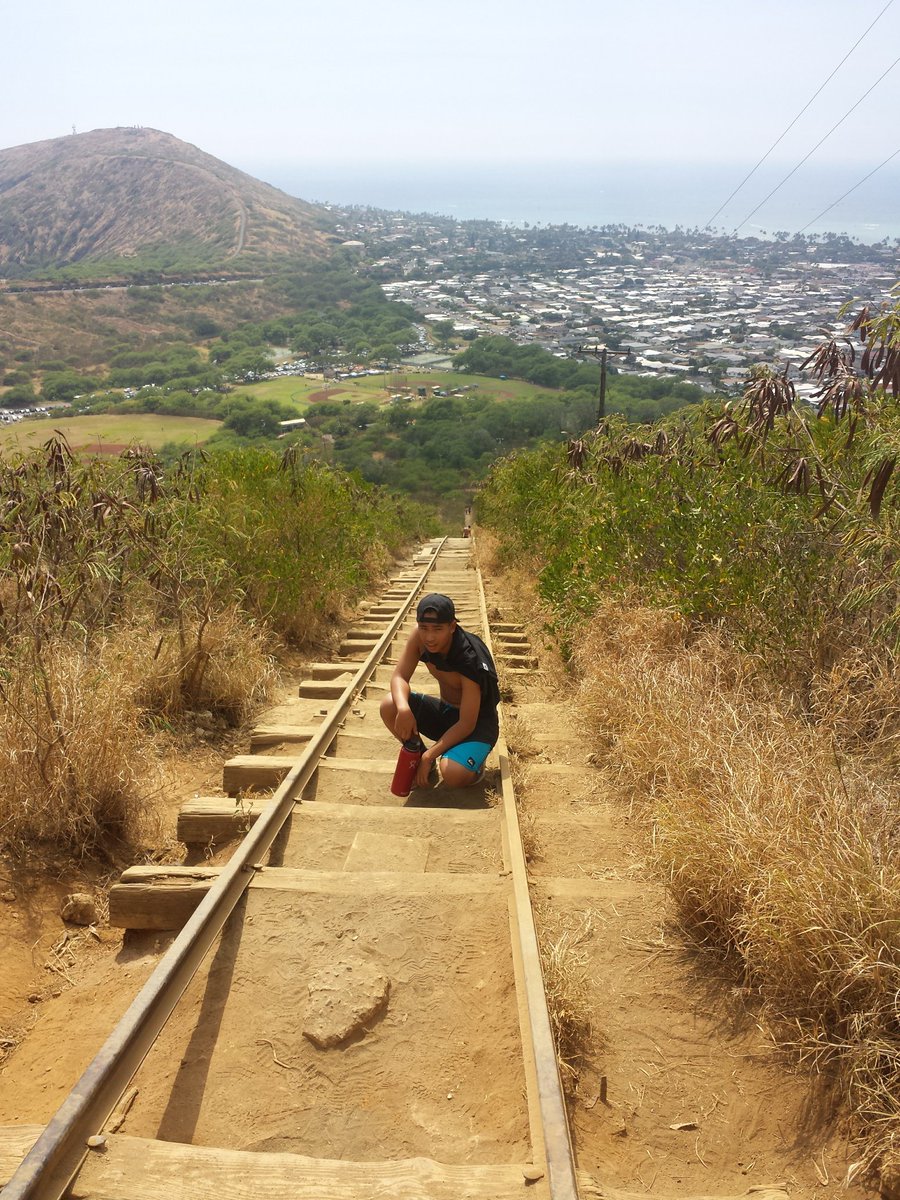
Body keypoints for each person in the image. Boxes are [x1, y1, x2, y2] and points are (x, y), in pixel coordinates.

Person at [380, 592, 500, 789]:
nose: (429, 637)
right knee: (390, 704)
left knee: (453, 774)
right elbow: (399, 677)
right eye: (424, 628)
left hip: (476, 725)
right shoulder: (418, 638)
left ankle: (474, 767)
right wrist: (403, 709)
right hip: (445, 714)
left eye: (437, 629)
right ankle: (422, 760)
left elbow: (467, 724)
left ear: (452, 627)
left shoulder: (469, 659)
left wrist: (429, 756)